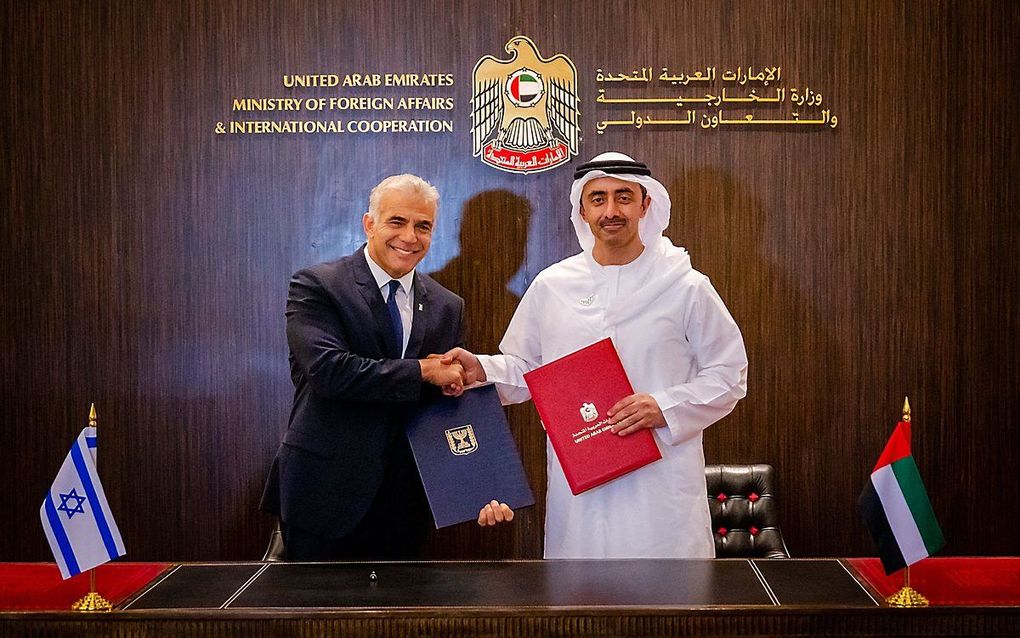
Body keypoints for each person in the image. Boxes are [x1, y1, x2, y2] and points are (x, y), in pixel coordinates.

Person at [445, 152, 748, 557]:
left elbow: (729, 374)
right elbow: (527, 370)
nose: (611, 210)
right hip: (581, 490)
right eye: (598, 199)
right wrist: (480, 367)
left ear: (645, 205)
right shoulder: (553, 286)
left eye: (623, 197)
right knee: (581, 610)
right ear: (583, 211)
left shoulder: (686, 286)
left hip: (660, 484)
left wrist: (664, 406)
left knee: (667, 607)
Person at [260, 174, 510, 561]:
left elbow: (441, 410)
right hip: (324, 497)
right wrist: (423, 371)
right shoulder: (317, 286)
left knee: (396, 622)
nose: (410, 237)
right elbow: (330, 373)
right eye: (398, 221)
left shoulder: (447, 305)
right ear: (369, 223)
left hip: (405, 503)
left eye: (423, 226)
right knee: (316, 622)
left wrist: (477, 486)